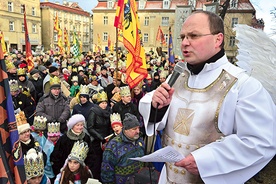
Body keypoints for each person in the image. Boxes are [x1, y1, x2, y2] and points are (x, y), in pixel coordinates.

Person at [139, 11, 276, 184]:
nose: (185, 43)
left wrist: (206, 160)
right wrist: (158, 106)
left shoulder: (243, 85)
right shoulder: (178, 76)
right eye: (183, 37)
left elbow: (260, 142)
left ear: (218, 39)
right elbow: (151, 107)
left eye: (194, 36)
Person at [101, 113, 145, 184]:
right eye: (134, 129)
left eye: (138, 128)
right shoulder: (113, 145)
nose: (138, 131)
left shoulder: (140, 140)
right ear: (125, 130)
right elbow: (106, 170)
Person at [87, 91, 112, 181]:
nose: (104, 105)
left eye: (105, 103)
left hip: (107, 139)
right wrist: (100, 137)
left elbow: (110, 125)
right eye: (102, 103)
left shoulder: (109, 112)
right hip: (96, 140)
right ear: (98, 104)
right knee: (97, 161)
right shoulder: (93, 112)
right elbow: (90, 127)